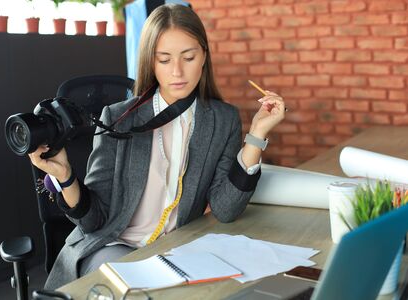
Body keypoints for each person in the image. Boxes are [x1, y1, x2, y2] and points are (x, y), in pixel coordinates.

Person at [29, 4, 286, 290]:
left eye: (188, 57)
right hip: (111, 246)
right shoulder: (117, 118)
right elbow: (93, 221)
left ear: (204, 56)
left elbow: (226, 210)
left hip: (176, 251)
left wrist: (257, 135)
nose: (177, 71)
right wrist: (65, 176)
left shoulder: (221, 119)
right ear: (150, 62)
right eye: (164, 60)